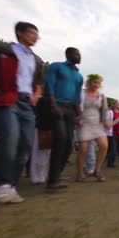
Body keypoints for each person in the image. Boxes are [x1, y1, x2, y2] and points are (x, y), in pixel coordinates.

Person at [0, 21, 44, 203]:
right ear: (19, 33)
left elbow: (38, 83)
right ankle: (2, 183)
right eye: (32, 33)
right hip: (6, 99)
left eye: (37, 34)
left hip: (27, 104)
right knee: (9, 136)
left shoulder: (36, 60)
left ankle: (11, 185)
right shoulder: (3, 49)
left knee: (25, 145)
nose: (35, 37)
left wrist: (36, 95)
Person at [45, 47, 84, 189]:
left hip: (71, 110)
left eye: (80, 54)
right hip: (57, 106)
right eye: (77, 54)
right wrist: (53, 105)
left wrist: (79, 114)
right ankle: (52, 180)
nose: (79, 56)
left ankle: (56, 175)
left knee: (69, 144)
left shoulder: (79, 76)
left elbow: (77, 97)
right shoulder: (56, 66)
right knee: (60, 139)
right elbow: (49, 85)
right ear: (68, 54)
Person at [75, 74, 109, 182]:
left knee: (104, 146)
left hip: (97, 125)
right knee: (83, 150)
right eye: (94, 82)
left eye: (98, 83)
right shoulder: (81, 93)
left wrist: (105, 122)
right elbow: (76, 106)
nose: (96, 84)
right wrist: (77, 118)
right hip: (84, 123)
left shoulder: (102, 96)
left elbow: (104, 110)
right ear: (89, 82)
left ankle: (97, 170)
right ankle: (80, 174)